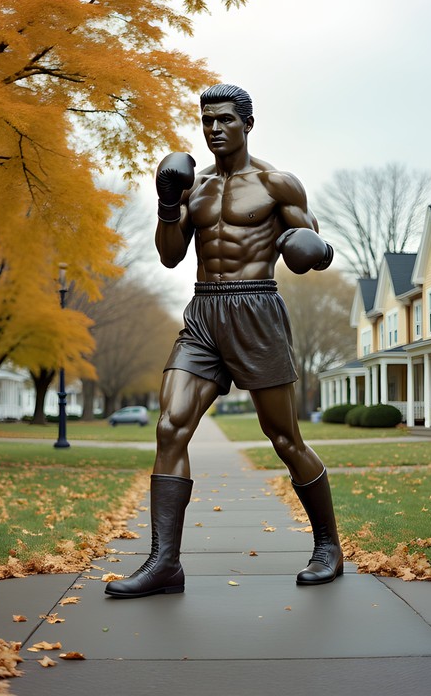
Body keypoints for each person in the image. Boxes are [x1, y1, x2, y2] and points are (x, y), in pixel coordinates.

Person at [105, 84, 342, 599]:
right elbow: (170, 256)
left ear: (247, 124)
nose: (214, 128)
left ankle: (328, 547)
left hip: (257, 311)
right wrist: (168, 203)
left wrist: (315, 250)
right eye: (207, 120)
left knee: (284, 439)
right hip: (204, 313)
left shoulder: (277, 184)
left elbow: (316, 247)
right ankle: (164, 563)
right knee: (170, 426)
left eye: (225, 119)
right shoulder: (196, 186)